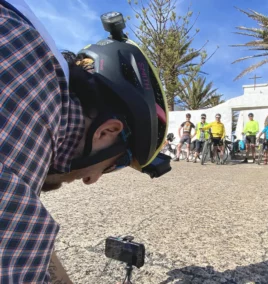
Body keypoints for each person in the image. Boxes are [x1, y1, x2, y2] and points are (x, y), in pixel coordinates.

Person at [0, 1, 170, 282]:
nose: (91, 180)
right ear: (106, 132)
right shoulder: (28, 126)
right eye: (109, 167)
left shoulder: (24, 45)